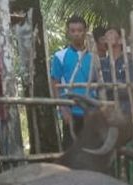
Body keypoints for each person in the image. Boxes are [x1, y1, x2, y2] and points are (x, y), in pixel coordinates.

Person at [50, 15, 95, 147]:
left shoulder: (93, 57)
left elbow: (98, 84)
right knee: (71, 149)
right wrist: (63, 109)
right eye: (73, 30)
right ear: (68, 32)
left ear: (85, 31)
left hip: (90, 111)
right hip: (71, 111)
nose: (76, 34)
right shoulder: (59, 56)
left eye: (80, 30)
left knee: (91, 149)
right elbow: (55, 83)